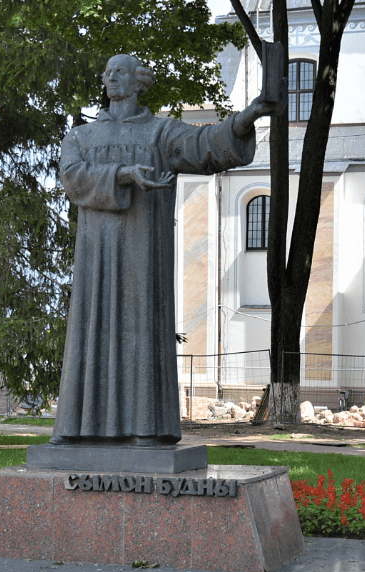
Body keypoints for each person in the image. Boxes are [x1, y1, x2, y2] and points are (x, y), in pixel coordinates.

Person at [51, 54, 279, 447]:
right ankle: (77, 428)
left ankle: (146, 429)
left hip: (142, 254)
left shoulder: (160, 134)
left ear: (139, 82)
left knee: (140, 330)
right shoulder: (81, 137)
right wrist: (123, 174)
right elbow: (72, 180)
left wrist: (247, 117)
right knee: (91, 328)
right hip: (95, 258)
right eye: (106, 71)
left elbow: (205, 144)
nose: (109, 77)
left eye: (119, 71)